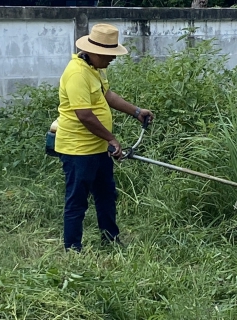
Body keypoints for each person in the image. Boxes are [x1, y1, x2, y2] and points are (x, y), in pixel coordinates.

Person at [55, 24, 154, 252]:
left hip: (98, 148)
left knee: (107, 195)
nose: (113, 60)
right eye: (110, 56)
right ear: (95, 52)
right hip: (78, 150)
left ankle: (111, 240)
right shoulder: (77, 73)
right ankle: (72, 250)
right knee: (77, 201)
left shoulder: (96, 68)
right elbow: (84, 115)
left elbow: (107, 95)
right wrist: (112, 139)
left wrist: (136, 112)